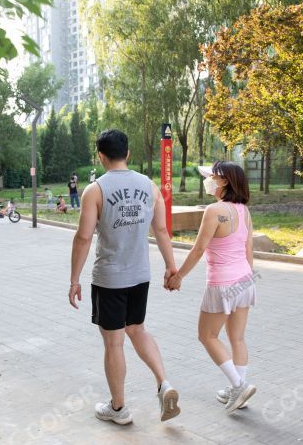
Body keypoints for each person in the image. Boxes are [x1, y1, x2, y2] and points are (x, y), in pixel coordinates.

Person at [69, 129, 181, 425]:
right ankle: (164, 382)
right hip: (140, 276)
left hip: (110, 278)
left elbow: (83, 238)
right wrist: (172, 267)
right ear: (128, 154)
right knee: (138, 329)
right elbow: (160, 231)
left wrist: (74, 280)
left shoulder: (95, 190)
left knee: (114, 343)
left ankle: (118, 409)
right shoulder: (149, 186)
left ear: (101, 157)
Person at [166, 161, 257, 414]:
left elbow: (198, 249)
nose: (208, 181)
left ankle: (239, 385)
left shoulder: (214, 210)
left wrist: (178, 276)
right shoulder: (244, 211)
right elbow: (248, 250)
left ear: (225, 181)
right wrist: (247, 278)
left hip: (222, 284)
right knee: (237, 338)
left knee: (207, 336)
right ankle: (238, 389)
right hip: (244, 281)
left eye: (212, 176)